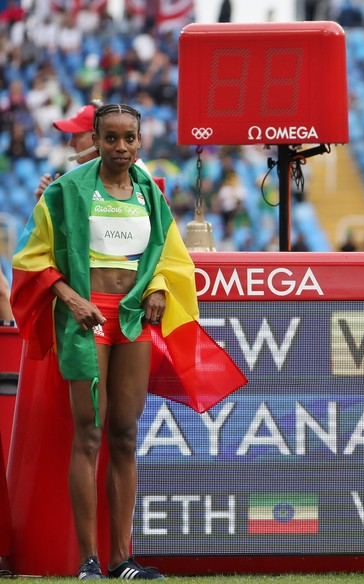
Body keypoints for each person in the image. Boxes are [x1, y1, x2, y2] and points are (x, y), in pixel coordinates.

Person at [10, 104, 246, 580]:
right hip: (87, 316)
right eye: (111, 138)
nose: (121, 148)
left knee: (124, 433)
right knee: (89, 434)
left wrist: (158, 286)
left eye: (129, 139)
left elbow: (169, 255)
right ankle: (89, 562)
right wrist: (72, 300)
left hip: (133, 318)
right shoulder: (66, 191)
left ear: (141, 141)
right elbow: (31, 259)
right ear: (95, 139)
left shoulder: (149, 193)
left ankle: (122, 560)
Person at [35, 100, 102, 200]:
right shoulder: (77, 181)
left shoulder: (128, 179)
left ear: (98, 138)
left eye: (76, 135)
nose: (70, 143)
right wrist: (52, 204)